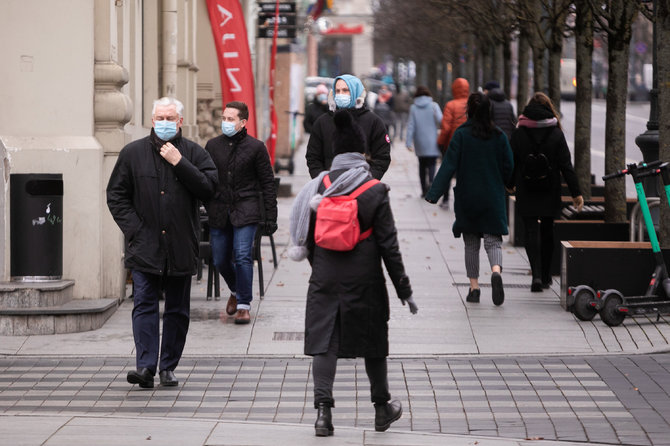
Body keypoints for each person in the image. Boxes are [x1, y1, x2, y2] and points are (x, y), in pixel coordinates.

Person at [289, 110, 418, 437]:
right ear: (362, 154)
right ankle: (381, 409)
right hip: (365, 277)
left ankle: (323, 414)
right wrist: (404, 289)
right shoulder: (375, 190)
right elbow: (389, 246)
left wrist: (320, 266)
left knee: (324, 343)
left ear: (336, 154)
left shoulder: (320, 186)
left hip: (326, 275)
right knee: (373, 342)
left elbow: (307, 235)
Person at [107, 97, 218, 389]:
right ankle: (145, 366)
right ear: (152, 120)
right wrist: (134, 230)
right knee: (144, 304)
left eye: (170, 118)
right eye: (160, 118)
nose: (164, 123)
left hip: (181, 244)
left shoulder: (193, 153)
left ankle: (168, 366)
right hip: (145, 245)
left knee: (177, 309)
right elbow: (116, 195)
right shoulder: (133, 153)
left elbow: (209, 189)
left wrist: (179, 163)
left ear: (179, 122)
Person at [425, 92, 513, 306]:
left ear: (469, 112)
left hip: (468, 196)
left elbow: (448, 166)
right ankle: (496, 272)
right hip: (492, 196)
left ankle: (474, 288)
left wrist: (434, 193)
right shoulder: (499, 136)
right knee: (493, 242)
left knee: (471, 243)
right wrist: (510, 183)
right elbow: (508, 165)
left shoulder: (461, 135)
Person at [204, 101, 278, 324]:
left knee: (243, 254)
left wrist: (270, 217)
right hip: (219, 210)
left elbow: (267, 183)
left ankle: (244, 305)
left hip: (246, 208)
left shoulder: (256, 147)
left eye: (230, 119)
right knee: (219, 259)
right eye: (224, 118)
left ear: (242, 122)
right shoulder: (212, 145)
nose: (225, 122)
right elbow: (205, 178)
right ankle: (236, 289)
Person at [508, 92, 584, 291]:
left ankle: (536, 276)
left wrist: (509, 183)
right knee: (548, 230)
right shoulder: (556, 134)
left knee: (531, 230)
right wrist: (576, 193)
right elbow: (566, 165)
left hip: (526, 188)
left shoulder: (518, 133)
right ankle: (547, 275)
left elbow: (511, 163)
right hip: (550, 188)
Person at [306, 74, 391, 180]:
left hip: (362, 189)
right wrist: (323, 181)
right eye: (337, 91)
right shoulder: (322, 122)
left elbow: (382, 157)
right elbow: (313, 157)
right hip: (330, 189)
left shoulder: (374, 122)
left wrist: (368, 180)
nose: (341, 94)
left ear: (356, 92)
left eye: (345, 90)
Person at [436, 77, 470, 208]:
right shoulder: (471, 104)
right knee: (465, 173)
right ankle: (464, 199)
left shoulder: (451, 105)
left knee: (448, 172)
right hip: (468, 145)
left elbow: (446, 128)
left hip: (452, 144)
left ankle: (445, 200)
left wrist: (441, 143)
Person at [405, 86, 443, 196]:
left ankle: (423, 190)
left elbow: (411, 125)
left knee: (422, 165)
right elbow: (441, 120)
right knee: (432, 164)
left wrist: (408, 142)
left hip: (419, 141)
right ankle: (431, 186)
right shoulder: (434, 106)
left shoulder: (413, 108)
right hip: (432, 140)